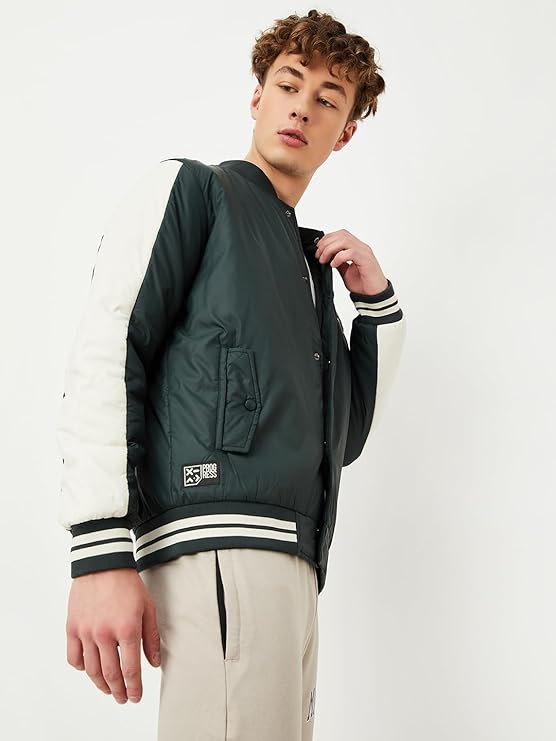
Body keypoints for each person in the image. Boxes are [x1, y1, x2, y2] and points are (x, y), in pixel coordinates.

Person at [57, 8, 406, 740]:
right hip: (219, 548)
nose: (301, 108)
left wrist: (376, 306)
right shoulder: (194, 192)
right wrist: (98, 550)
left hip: (295, 568)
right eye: (289, 84)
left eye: (327, 99)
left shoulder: (310, 268)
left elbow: (342, 439)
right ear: (257, 96)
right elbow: (108, 346)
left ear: (344, 133)